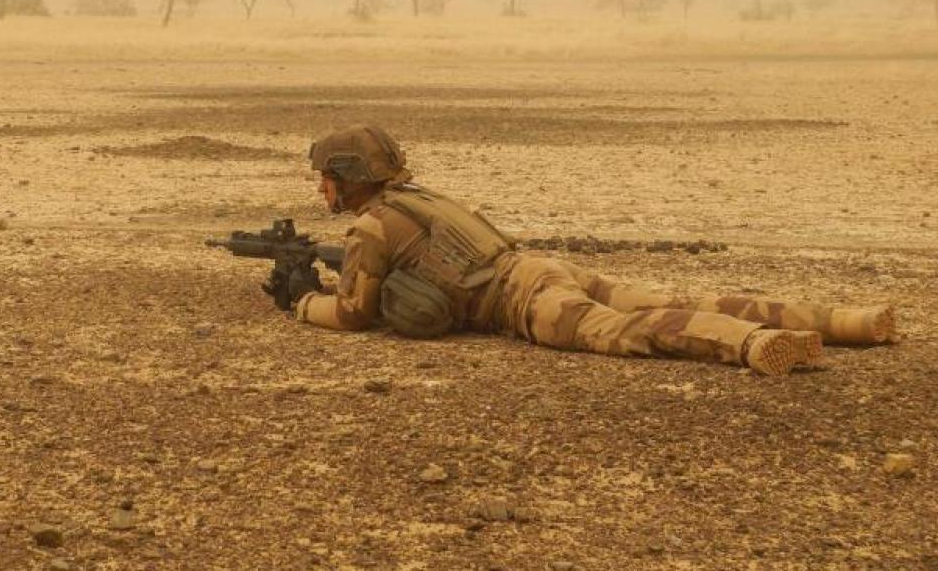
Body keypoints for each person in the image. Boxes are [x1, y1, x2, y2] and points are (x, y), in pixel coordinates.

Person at [280, 124, 896, 377]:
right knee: (681, 297)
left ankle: (751, 344)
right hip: (538, 267)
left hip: (521, 301)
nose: (321, 188)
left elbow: (356, 314)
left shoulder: (371, 228)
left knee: (635, 331)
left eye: (326, 178)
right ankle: (849, 322)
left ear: (348, 174)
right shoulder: (416, 197)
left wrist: (303, 303)